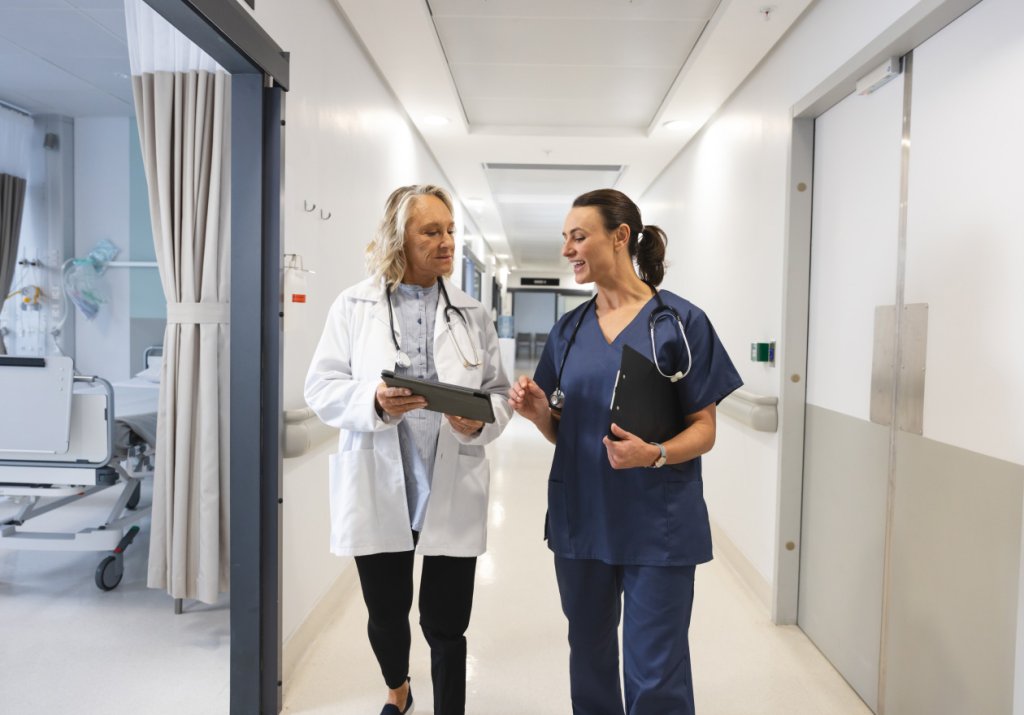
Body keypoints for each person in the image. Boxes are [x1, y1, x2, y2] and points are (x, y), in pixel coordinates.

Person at [508, 189, 742, 715]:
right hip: (582, 519)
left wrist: (654, 453)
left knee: (656, 671)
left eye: (578, 235)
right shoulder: (568, 331)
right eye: (564, 238)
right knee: (588, 659)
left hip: (657, 523)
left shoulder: (681, 322)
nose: (568, 248)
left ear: (620, 237)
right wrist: (540, 413)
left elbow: (704, 430)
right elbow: (562, 432)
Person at [305, 184, 512, 715]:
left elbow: (498, 394)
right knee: (386, 614)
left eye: (450, 231)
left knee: (447, 624)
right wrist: (372, 400)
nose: (446, 242)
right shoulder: (353, 306)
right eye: (432, 231)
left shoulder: (473, 314)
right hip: (381, 480)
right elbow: (321, 387)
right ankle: (398, 688)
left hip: (450, 481)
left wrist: (476, 422)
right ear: (400, 237)